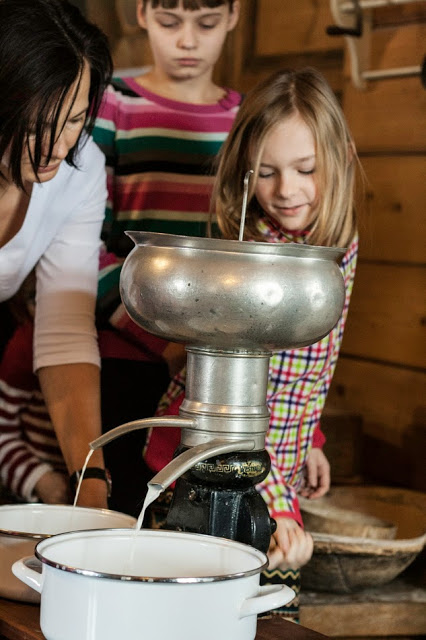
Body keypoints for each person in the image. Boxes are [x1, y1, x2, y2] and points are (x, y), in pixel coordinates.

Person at [144, 67, 359, 621]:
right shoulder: (260, 254)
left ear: (337, 157)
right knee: (212, 606)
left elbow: (306, 368)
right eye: (265, 173)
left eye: (306, 169)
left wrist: (312, 434)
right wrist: (279, 501)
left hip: (275, 458)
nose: (287, 190)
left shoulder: (335, 240)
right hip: (217, 456)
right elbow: (259, 390)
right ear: (242, 173)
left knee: (253, 605)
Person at [90, 0, 243, 516]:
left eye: (205, 25)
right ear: (142, 14)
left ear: (233, 17)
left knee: (205, 506)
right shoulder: (113, 106)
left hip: (218, 363)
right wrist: (163, 341)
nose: (187, 41)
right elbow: (84, 244)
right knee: (127, 504)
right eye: (170, 23)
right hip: (125, 356)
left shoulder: (242, 120)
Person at [0, 0, 113, 508]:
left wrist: (90, 481)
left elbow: (64, 331)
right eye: (33, 125)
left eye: (73, 119)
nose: (56, 146)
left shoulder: (81, 167)